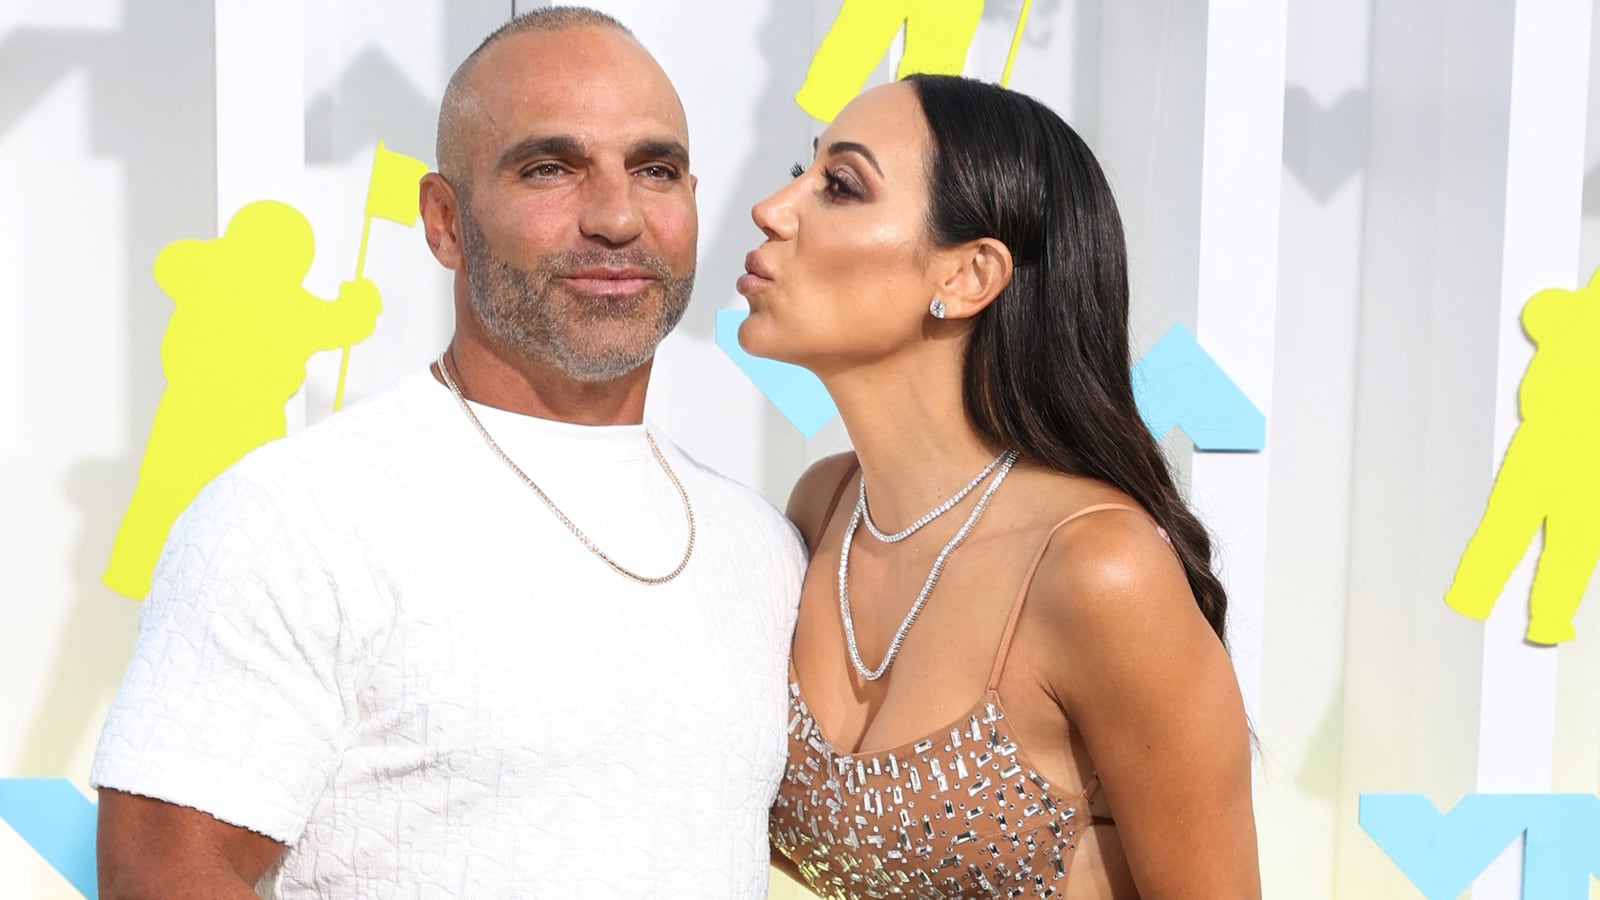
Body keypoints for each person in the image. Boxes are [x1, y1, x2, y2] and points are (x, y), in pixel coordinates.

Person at [91, 8, 805, 899]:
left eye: (654, 170)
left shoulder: (762, 546)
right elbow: (160, 874)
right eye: (551, 168)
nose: (618, 216)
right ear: (444, 222)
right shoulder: (291, 517)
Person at [742, 75, 1260, 898]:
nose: (773, 207)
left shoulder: (1099, 569)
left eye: (839, 186)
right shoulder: (825, 509)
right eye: (801, 172)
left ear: (971, 275)